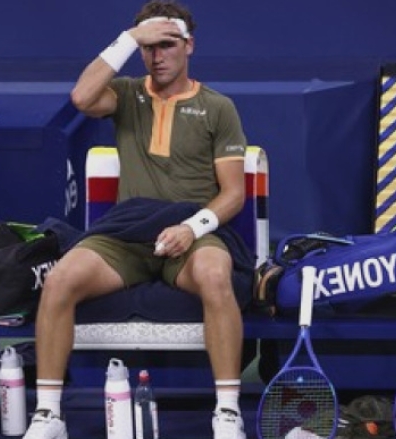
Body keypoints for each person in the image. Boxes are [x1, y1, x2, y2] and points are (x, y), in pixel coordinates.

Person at [23, 1, 250, 439]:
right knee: (60, 279)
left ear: (189, 46)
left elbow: (234, 193)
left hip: (189, 234)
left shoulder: (218, 107)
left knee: (215, 274)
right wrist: (129, 38)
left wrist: (192, 229)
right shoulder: (126, 94)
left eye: (167, 45)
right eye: (149, 47)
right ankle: (49, 415)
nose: (157, 56)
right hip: (126, 236)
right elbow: (81, 98)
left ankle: (226, 413)